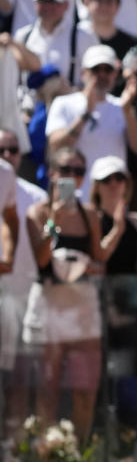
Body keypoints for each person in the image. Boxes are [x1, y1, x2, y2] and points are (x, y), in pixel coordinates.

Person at [22, 148, 104, 441]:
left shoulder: (91, 215)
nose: (73, 177)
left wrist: (88, 266)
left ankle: (79, 453)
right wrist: (54, 219)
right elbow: (42, 260)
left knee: (85, 392)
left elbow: (99, 260)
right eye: (67, 170)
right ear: (53, 173)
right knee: (47, 391)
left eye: (79, 171)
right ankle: (46, 454)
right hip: (49, 307)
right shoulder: (38, 212)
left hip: (82, 310)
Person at [88, 155, 137, 434]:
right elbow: (96, 261)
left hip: (130, 317)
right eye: (106, 180)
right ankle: (96, 440)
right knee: (97, 381)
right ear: (96, 186)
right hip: (95, 314)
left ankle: (126, 443)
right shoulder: (89, 219)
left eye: (119, 178)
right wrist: (117, 227)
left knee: (128, 380)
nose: (113, 184)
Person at [45, 45, 137, 199]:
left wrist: (127, 110)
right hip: (70, 195)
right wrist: (86, 115)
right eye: (96, 69)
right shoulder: (63, 103)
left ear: (115, 74)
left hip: (110, 197)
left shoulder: (122, 106)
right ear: (83, 73)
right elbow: (56, 146)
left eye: (107, 70)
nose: (102, 75)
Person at [0, 129, 45, 438]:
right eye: (1, 149)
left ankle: (14, 448)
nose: (7, 155)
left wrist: (7, 256)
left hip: (20, 299)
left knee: (18, 379)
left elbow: (13, 221)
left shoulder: (37, 197)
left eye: (13, 149)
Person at [14, 0, 97, 87]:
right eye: (43, 1)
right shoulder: (22, 36)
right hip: (28, 103)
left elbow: (96, 78)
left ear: (66, 5)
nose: (47, 7)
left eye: (52, 1)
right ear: (35, 4)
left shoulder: (83, 37)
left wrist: (72, 93)